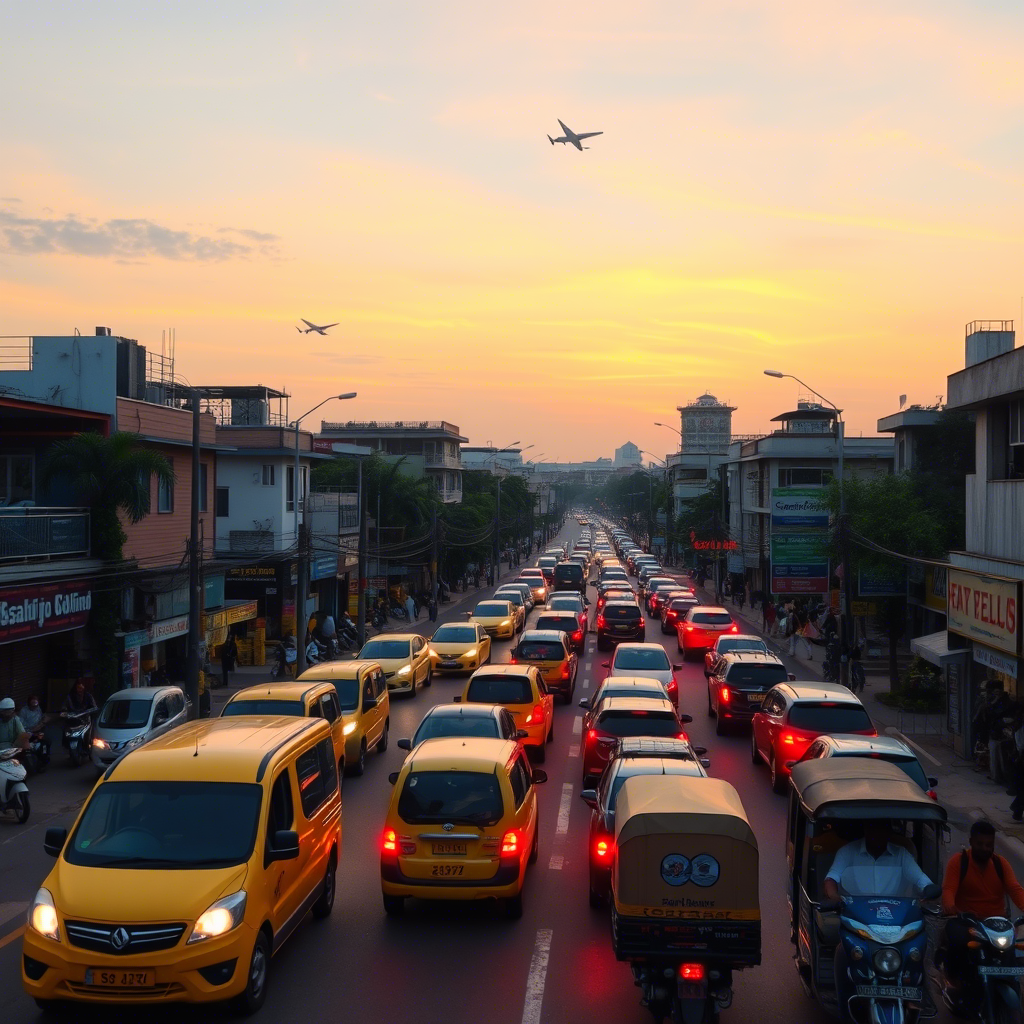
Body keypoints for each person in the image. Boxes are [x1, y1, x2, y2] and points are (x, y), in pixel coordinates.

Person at [940, 820, 1024, 993]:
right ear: (971, 842)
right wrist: (950, 906)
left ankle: (1013, 987)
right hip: (968, 921)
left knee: (1012, 953)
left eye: (989, 845)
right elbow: (948, 889)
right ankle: (953, 979)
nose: (985, 848)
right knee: (957, 940)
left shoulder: (1001, 864)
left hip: (997, 924)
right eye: (980, 844)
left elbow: (1015, 889)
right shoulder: (959, 862)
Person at [824, 820, 933, 901]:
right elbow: (832, 878)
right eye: (874, 829)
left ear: (889, 832)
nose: (878, 834)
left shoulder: (901, 854)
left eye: (882, 829)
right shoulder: (847, 852)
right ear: (866, 830)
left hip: (895, 916)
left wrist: (929, 890)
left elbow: (920, 879)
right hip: (854, 915)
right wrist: (834, 896)